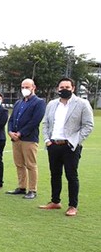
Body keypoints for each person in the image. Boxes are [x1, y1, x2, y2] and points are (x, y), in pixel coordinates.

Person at [39, 78, 94, 216]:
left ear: (73, 88)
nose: (64, 89)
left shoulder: (82, 104)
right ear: (58, 88)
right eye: (61, 87)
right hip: (53, 145)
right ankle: (55, 201)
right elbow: (45, 123)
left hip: (70, 146)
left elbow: (88, 125)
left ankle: (72, 205)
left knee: (71, 176)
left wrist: (75, 141)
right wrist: (47, 140)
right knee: (55, 174)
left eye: (67, 87)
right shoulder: (52, 104)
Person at [6, 78, 46, 199]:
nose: (25, 89)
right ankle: (21, 187)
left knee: (30, 164)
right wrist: (10, 131)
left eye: (27, 87)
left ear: (34, 87)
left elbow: (35, 121)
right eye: (23, 87)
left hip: (29, 138)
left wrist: (20, 133)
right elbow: (12, 118)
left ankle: (32, 190)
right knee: (19, 164)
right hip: (16, 139)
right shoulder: (19, 103)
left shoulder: (39, 102)